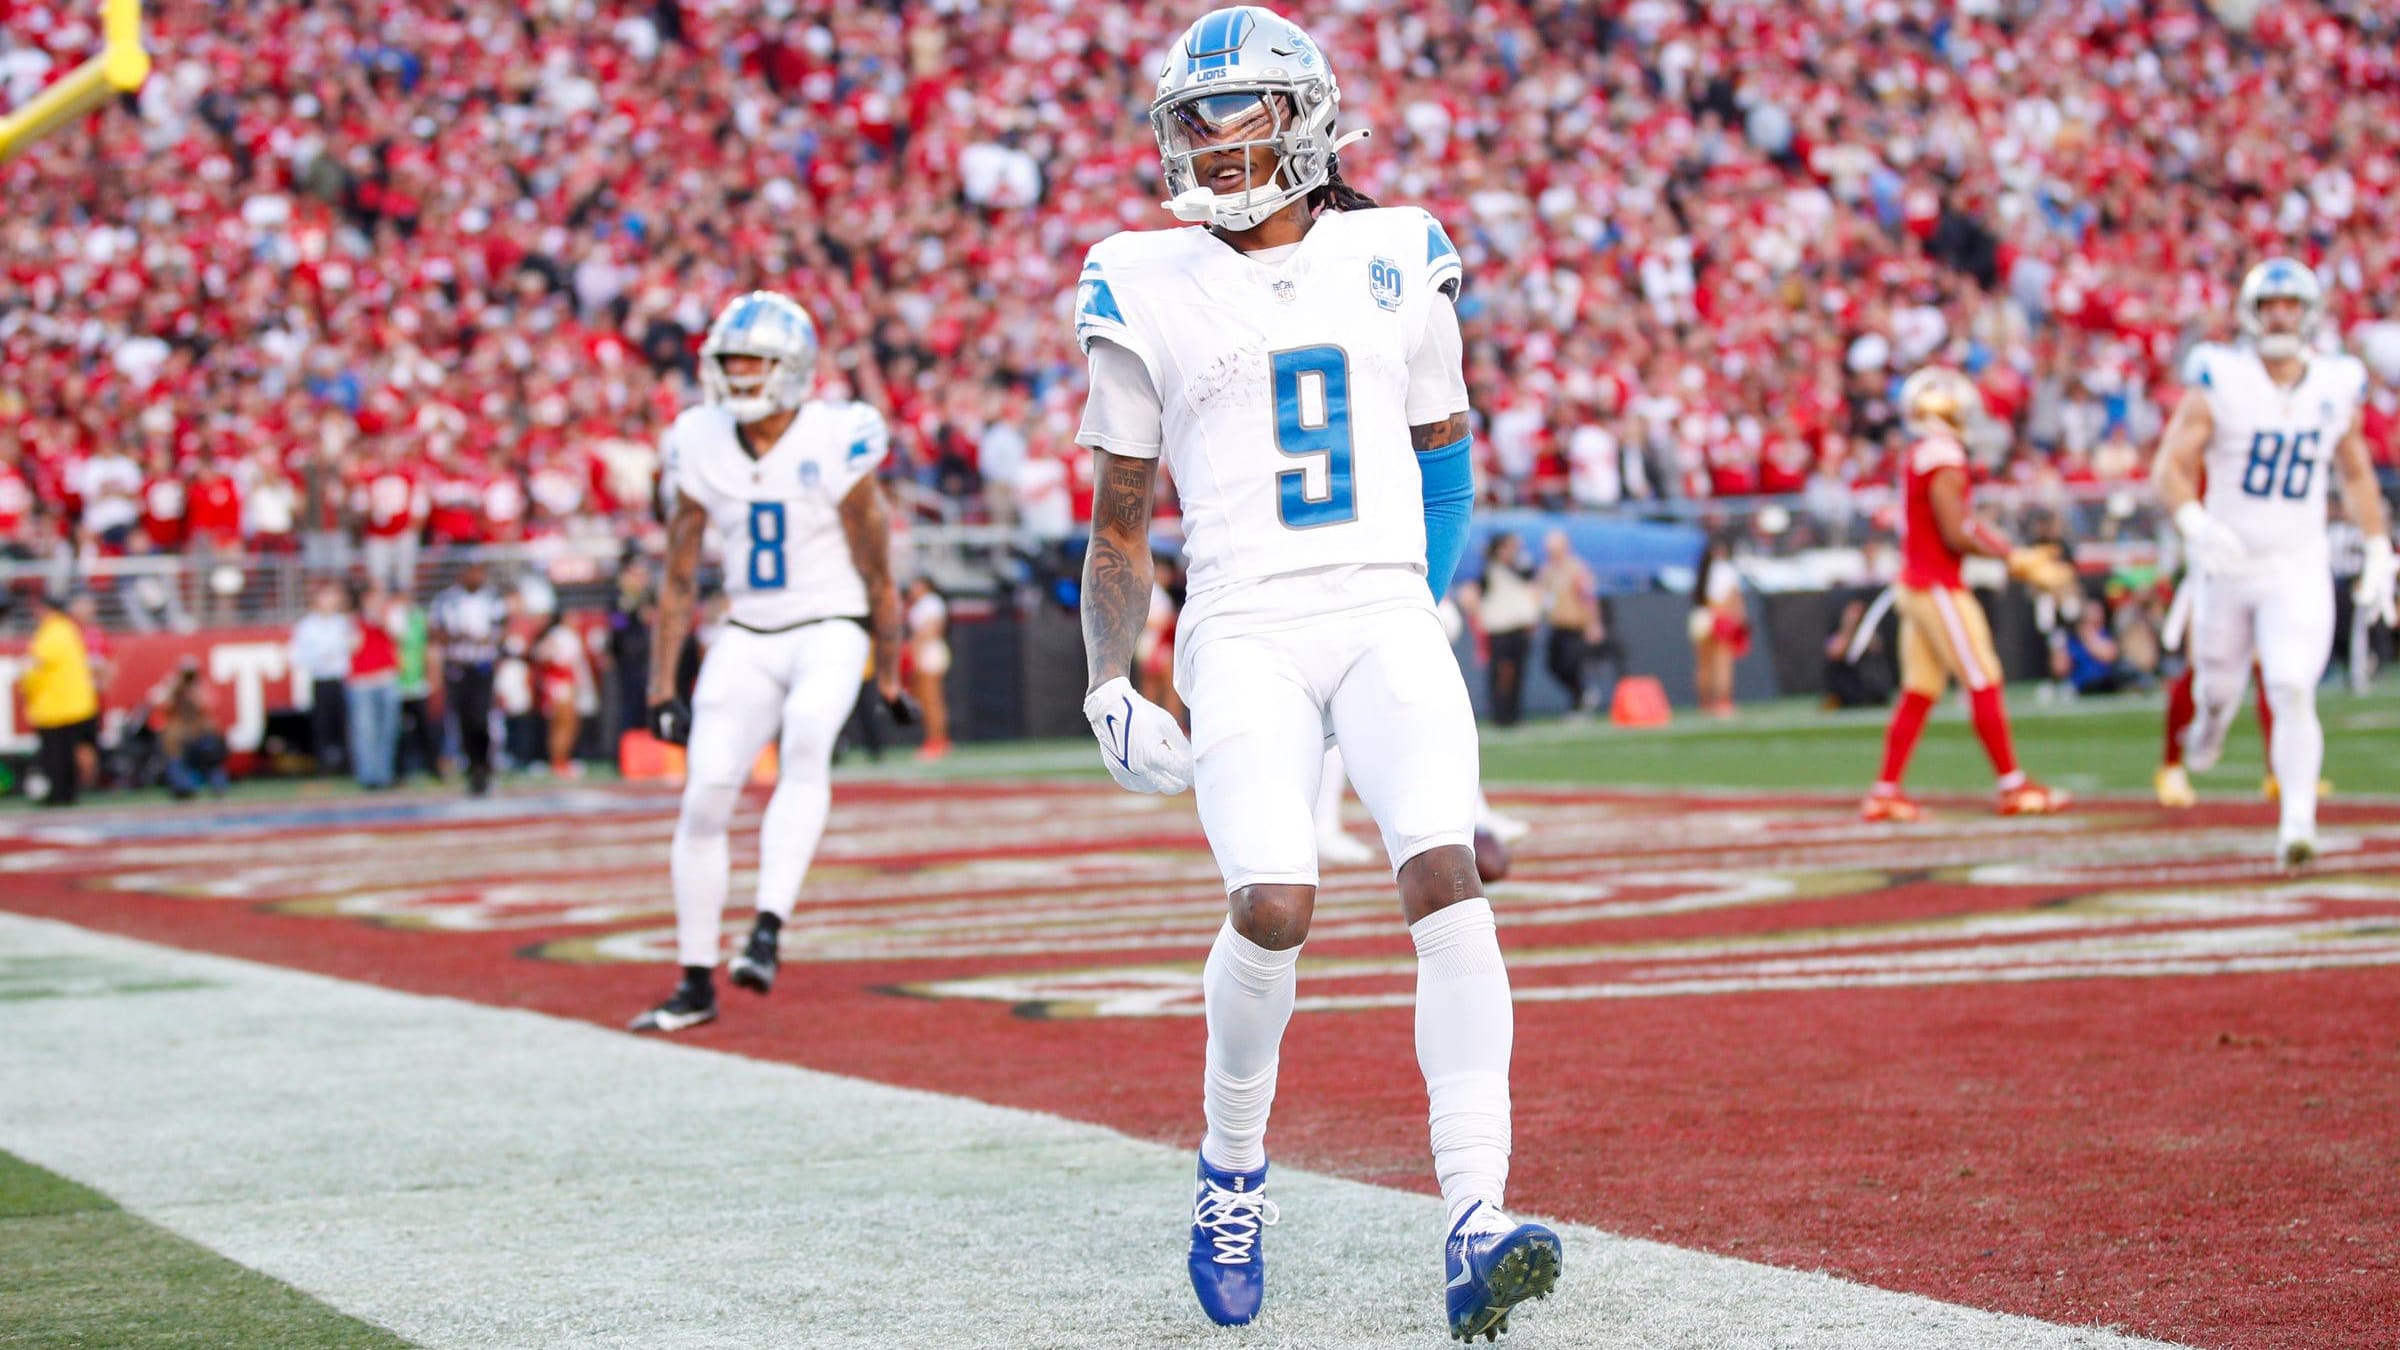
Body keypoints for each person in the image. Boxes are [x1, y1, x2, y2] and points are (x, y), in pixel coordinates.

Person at [1071, 10, 1558, 1338]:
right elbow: (1120, 518)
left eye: (1238, 121)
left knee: (1445, 875)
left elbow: (1444, 455)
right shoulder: (1140, 273)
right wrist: (1111, 672)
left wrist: (1418, 604)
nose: (1213, 150)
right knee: (1275, 899)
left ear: (1304, 119)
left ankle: (1477, 1216)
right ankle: (1232, 1165)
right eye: (1194, 124)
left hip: (1382, 608)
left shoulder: (1400, 249)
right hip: (1239, 620)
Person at [632, 291, 904, 1034]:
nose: (739, 375)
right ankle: (694, 980)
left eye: (753, 361)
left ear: (792, 366)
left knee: (809, 737)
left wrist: (888, 665)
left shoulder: (837, 433)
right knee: (704, 795)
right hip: (747, 629)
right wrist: (662, 682)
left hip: (830, 621)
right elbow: (680, 575)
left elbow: (879, 567)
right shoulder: (697, 438)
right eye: (729, 362)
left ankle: (767, 928)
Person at [2151, 258, 2395, 867]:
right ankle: (2204, 730)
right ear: (2251, 314)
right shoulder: (2220, 376)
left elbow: (2357, 473)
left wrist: (2376, 547)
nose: (2280, 316)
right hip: (2227, 562)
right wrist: (2195, 523)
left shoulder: (2335, 383)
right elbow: (2169, 467)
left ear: (2308, 312)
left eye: (2290, 305)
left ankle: (2296, 823)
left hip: (2296, 562)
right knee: (2217, 687)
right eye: (2270, 306)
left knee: (2290, 685)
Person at [1862, 365, 2076, 822]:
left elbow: (1962, 523)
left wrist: (2010, 552)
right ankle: (2012, 784)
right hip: (1936, 584)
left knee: (1920, 689)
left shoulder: (1921, 451)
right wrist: (2011, 559)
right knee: (1982, 675)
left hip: (1916, 583)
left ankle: (1885, 790)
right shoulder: (1941, 454)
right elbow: (1957, 530)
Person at [430, 559, 509, 796]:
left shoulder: (492, 598)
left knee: (480, 718)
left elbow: (500, 631)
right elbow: (437, 631)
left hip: (482, 665)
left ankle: (484, 767)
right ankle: (471, 769)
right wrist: (460, 637)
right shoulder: (446, 600)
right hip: (457, 666)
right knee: (462, 719)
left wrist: (484, 639)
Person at [17, 591, 97, 807]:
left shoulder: (50, 634)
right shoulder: (69, 630)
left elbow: (33, 668)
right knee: (67, 753)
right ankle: (68, 793)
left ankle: (58, 794)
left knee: (54, 755)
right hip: (74, 703)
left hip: (55, 705)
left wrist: (27, 689)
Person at [288, 583, 356, 775]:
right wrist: (321, 658)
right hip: (320, 679)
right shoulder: (307, 625)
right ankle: (322, 766)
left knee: (345, 724)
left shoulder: (342, 622)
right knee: (321, 725)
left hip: (341, 680)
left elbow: (353, 647)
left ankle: (348, 765)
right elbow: (297, 655)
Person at [1534, 529, 1601, 714]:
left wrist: (1593, 623)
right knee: (1553, 665)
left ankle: (1580, 700)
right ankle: (1582, 695)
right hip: (1556, 624)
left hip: (1574, 624)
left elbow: (1587, 597)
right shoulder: (1547, 570)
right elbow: (1541, 596)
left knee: (1571, 664)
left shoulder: (1576, 568)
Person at [1477, 533, 1538, 726]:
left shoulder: (1521, 566)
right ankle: (1499, 714)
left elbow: (1528, 576)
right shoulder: (1490, 570)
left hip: (1519, 626)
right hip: (1500, 629)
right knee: (1500, 673)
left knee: (1519, 672)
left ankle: (1515, 714)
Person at [345, 584, 402, 790]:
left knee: (388, 729)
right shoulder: (352, 620)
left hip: (386, 678)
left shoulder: (391, 615)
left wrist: (382, 620)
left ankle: (385, 773)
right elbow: (351, 647)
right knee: (365, 731)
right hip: (362, 681)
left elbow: (400, 636)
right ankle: (369, 776)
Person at [152, 659, 228, 799]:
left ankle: (218, 786)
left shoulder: (199, 689)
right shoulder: (173, 690)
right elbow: (159, 703)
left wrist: (194, 691)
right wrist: (173, 687)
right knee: (175, 761)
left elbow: (208, 705)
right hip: (181, 741)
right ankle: (185, 788)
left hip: (200, 740)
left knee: (211, 758)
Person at [1689, 536, 1747, 717]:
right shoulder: (1725, 569)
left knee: (1703, 665)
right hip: (1719, 619)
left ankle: (1705, 703)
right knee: (1722, 662)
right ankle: (1723, 702)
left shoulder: (1702, 570)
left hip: (1700, 618)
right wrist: (1738, 617)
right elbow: (1730, 597)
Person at [905, 577, 953, 760]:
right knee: (924, 699)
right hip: (921, 652)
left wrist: (915, 646)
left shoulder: (931, 602)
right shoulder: (918, 604)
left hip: (930, 651)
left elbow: (933, 628)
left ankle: (938, 740)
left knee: (932, 698)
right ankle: (933, 738)